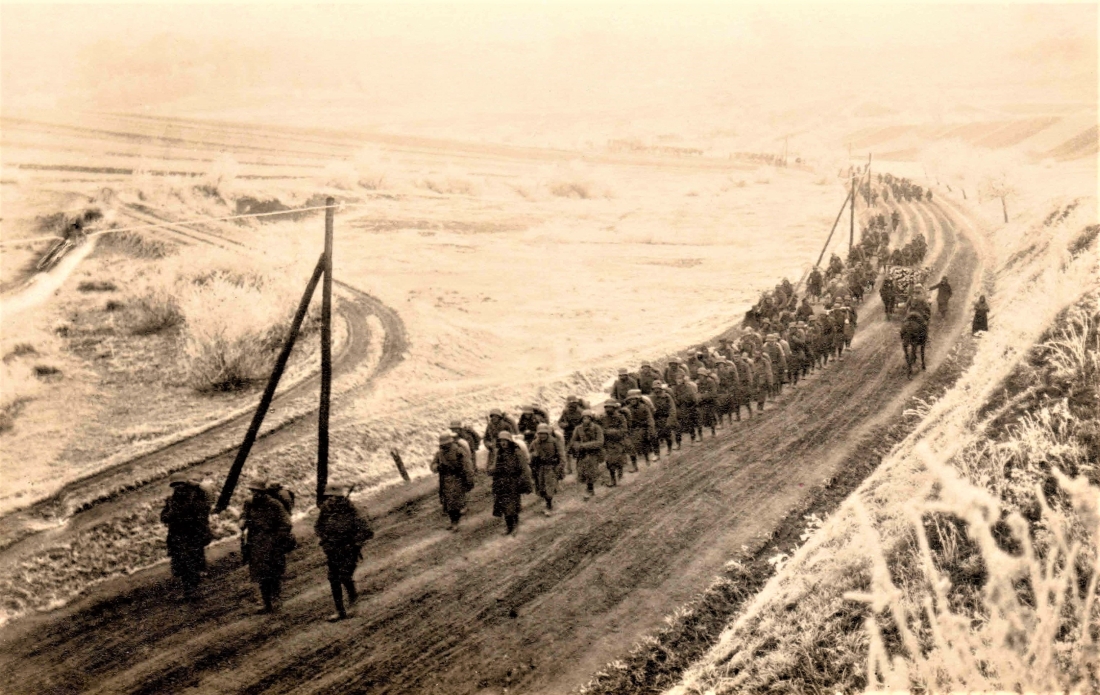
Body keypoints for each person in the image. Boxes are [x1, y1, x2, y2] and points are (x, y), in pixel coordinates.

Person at [315, 483, 373, 622]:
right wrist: (325, 540)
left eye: (332, 497)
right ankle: (340, 610)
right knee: (333, 579)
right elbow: (318, 526)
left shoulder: (353, 509)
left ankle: (353, 603)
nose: (330, 500)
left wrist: (354, 544)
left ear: (340, 497)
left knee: (345, 576)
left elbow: (367, 531)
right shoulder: (326, 510)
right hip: (333, 549)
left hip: (349, 548)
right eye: (327, 497)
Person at [241, 478, 296, 614]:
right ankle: (266, 603)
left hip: (272, 544)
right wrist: (242, 521)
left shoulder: (274, 504)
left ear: (263, 492)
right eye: (252, 491)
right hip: (255, 543)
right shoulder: (249, 503)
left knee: (274, 572)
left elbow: (286, 524)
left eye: (257, 491)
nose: (255, 494)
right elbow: (244, 516)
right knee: (260, 574)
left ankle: (275, 598)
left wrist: (276, 539)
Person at [160, 471, 213, 600]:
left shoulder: (194, 498)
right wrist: (170, 515)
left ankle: (192, 591)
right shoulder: (171, 501)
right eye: (175, 485)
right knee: (183, 565)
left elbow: (201, 516)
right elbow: (163, 517)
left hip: (191, 536)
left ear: (185, 484)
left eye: (180, 484)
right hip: (177, 537)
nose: (178, 487)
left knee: (191, 564)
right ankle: (190, 590)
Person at [488, 431, 534, 535]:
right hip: (501, 483)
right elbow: (494, 466)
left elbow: (524, 468)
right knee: (503, 506)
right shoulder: (498, 453)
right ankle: (509, 527)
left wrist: (526, 483)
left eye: (505, 441)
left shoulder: (517, 452)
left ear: (509, 441)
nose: (503, 443)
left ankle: (516, 525)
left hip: (513, 482)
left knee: (512, 506)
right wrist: (491, 470)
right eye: (501, 441)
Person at [431, 432, 477, 530]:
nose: (443, 446)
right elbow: (433, 465)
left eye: (445, 444)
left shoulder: (459, 452)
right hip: (445, 481)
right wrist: (437, 467)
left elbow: (467, 466)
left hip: (457, 480)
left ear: (450, 442)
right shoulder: (439, 454)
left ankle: (455, 523)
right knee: (447, 504)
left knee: (455, 503)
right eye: (442, 444)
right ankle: (453, 522)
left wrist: (469, 479)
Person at [528, 424, 565, 515]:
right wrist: (534, 455)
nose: (542, 435)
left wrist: (558, 468)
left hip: (551, 468)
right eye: (540, 434)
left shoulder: (554, 442)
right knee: (541, 488)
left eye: (544, 433)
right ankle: (548, 503)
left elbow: (562, 456)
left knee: (549, 487)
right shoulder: (535, 443)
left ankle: (549, 506)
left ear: (548, 433)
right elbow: (529, 455)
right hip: (540, 468)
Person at [569, 410, 605, 499]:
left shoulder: (597, 428)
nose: (586, 420)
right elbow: (574, 440)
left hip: (594, 453)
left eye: (588, 418)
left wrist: (585, 446)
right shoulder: (578, 429)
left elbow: (600, 442)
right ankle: (590, 487)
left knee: (590, 471)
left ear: (591, 419)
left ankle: (590, 490)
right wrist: (576, 446)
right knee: (581, 471)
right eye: (584, 418)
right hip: (582, 453)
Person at [600, 400, 630, 486]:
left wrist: (611, 432)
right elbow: (600, 429)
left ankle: (620, 476)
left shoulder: (620, 417)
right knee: (609, 462)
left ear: (614, 408)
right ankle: (613, 479)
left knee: (619, 460)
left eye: (610, 407)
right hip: (608, 443)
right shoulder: (602, 418)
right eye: (606, 407)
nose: (608, 409)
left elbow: (624, 430)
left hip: (619, 442)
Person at [624, 390, 656, 469]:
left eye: (634, 399)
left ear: (638, 399)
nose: (633, 401)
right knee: (631, 446)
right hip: (632, 429)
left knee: (643, 442)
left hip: (643, 427)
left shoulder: (644, 407)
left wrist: (650, 428)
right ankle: (635, 465)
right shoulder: (627, 410)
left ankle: (647, 459)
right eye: (631, 400)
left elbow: (649, 419)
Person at [557, 396, 587, 474]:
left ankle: (579, 468)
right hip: (568, 434)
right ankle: (569, 468)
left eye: (573, 403)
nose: (571, 405)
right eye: (570, 403)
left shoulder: (581, 412)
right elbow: (560, 422)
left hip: (578, 435)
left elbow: (585, 423)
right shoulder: (565, 412)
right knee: (567, 451)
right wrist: (565, 425)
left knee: (578, 451)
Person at [650, 381, 678, 457]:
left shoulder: (667, 397)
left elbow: (672, 409)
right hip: (656, 419)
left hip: (665, 418)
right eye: (655, 388)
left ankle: (669, 448)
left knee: (667, 436)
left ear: (661, 388)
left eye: (658, 388)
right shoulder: (651, 398)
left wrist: (670, 421)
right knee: (654, 437)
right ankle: (657, 454)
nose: (656, 390)